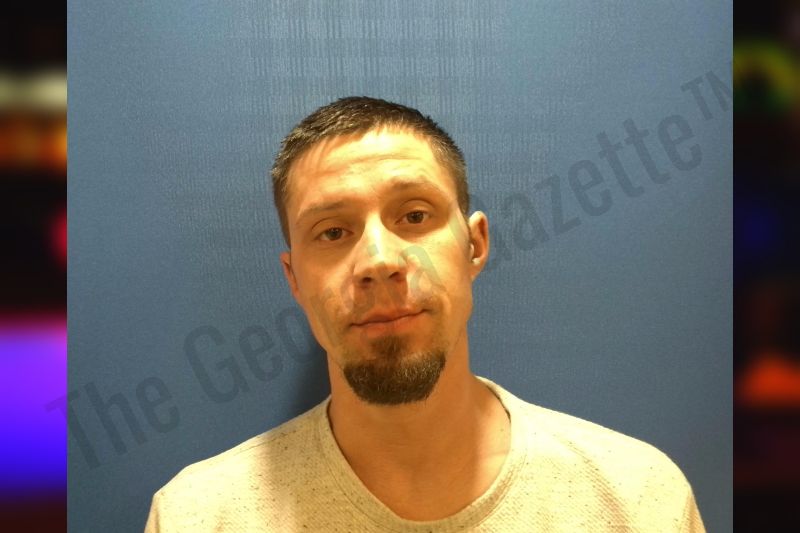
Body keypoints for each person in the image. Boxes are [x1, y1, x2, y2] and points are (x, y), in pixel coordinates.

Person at [145, 97, 704, 532]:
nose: (379, 261)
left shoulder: (637, 500)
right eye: (333, 231)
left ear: (475, 246)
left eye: (414, 215)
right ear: (294, 279)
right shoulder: (197, 516)